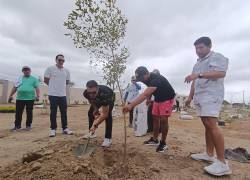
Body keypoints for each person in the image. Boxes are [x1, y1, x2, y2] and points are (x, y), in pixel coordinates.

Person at [185, 37, 231, 176]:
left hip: (211, 95)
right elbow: (194, 82)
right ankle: (209, 154)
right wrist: (190, 97)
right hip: (200, 96)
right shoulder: (197, 63)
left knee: (212, 124)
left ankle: (222, 163)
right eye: (196, 48)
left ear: (209, 46)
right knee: (206, 124)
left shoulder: (217, 57)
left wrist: (198, 75)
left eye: (201, 48)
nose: (198, 51)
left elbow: (220, 73)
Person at [123, 66, 176, 153]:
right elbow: (149, 91)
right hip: (158, 99)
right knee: (155, 118)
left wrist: (130, 105)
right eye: (138, 78)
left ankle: (163, 143)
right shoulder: (146, 78)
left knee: (163, 120)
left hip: (167, 98)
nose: (140, 80)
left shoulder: (156, 79)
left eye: (141, 78)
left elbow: (145, 94)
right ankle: (155, 139)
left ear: (146, 74)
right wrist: (149, 99)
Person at [44, 54, 73, 137]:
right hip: (53, 94)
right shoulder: (50, 69)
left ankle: (65, 128)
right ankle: (53, 129)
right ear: (56, 60)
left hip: (63, 95)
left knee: (64, 112)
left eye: (62, 60)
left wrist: (60, 87)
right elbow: (46, 80)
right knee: (53, 112)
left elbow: (67, 82)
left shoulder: (66, 71)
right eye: (59, 60)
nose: (61, 61)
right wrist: (53, 86)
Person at [83, 80, 115, 147]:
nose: (91, 95)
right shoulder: (86, 93)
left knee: (108, 116)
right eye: (89, 93)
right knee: (90, 112)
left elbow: (104, 114)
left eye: (93, 93)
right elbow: (91, 100)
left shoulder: (106, 94)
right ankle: (91, 133)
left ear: (97, 88)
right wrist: (95, 108)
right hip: (97, 99)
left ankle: (107, 138)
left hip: (109, 98)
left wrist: (95, 124)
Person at [9, 66, 40, 131]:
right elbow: (15, 87)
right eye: (24, 70)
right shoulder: (19, 79)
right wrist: (10, 95)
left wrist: (38, 96)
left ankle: (28, 126)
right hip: (20, 98)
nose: (26, 71)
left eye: (27, 70)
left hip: (30, 98)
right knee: (18, 112)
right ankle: (17, 126)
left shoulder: (34, 79)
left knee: (29, 112)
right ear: (23, 71)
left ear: (30, 71)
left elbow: (37, 88)